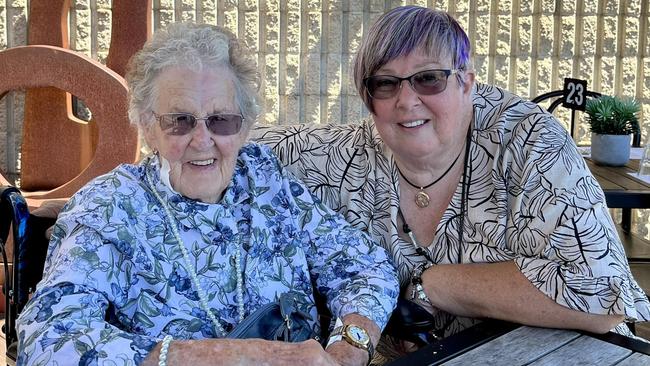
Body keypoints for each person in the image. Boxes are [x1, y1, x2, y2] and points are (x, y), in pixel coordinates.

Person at [252, 5, 650, 362]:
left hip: (566, 354)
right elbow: (225, 142)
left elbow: (602, 298)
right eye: (385, 84)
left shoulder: (526, 140)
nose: (406, 100)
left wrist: (433, 285)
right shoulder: (346, 156)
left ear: (466, 82)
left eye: (428, 79)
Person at [15, 23, 399, 366]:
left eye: (222, 120)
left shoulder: (267, 180)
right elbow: (48, 337)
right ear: (147, 127)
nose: (203, 140)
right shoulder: (111, 206)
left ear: (245, 126)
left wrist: (348, 348)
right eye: (179, 121)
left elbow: (365, 266)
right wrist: (227, 355)